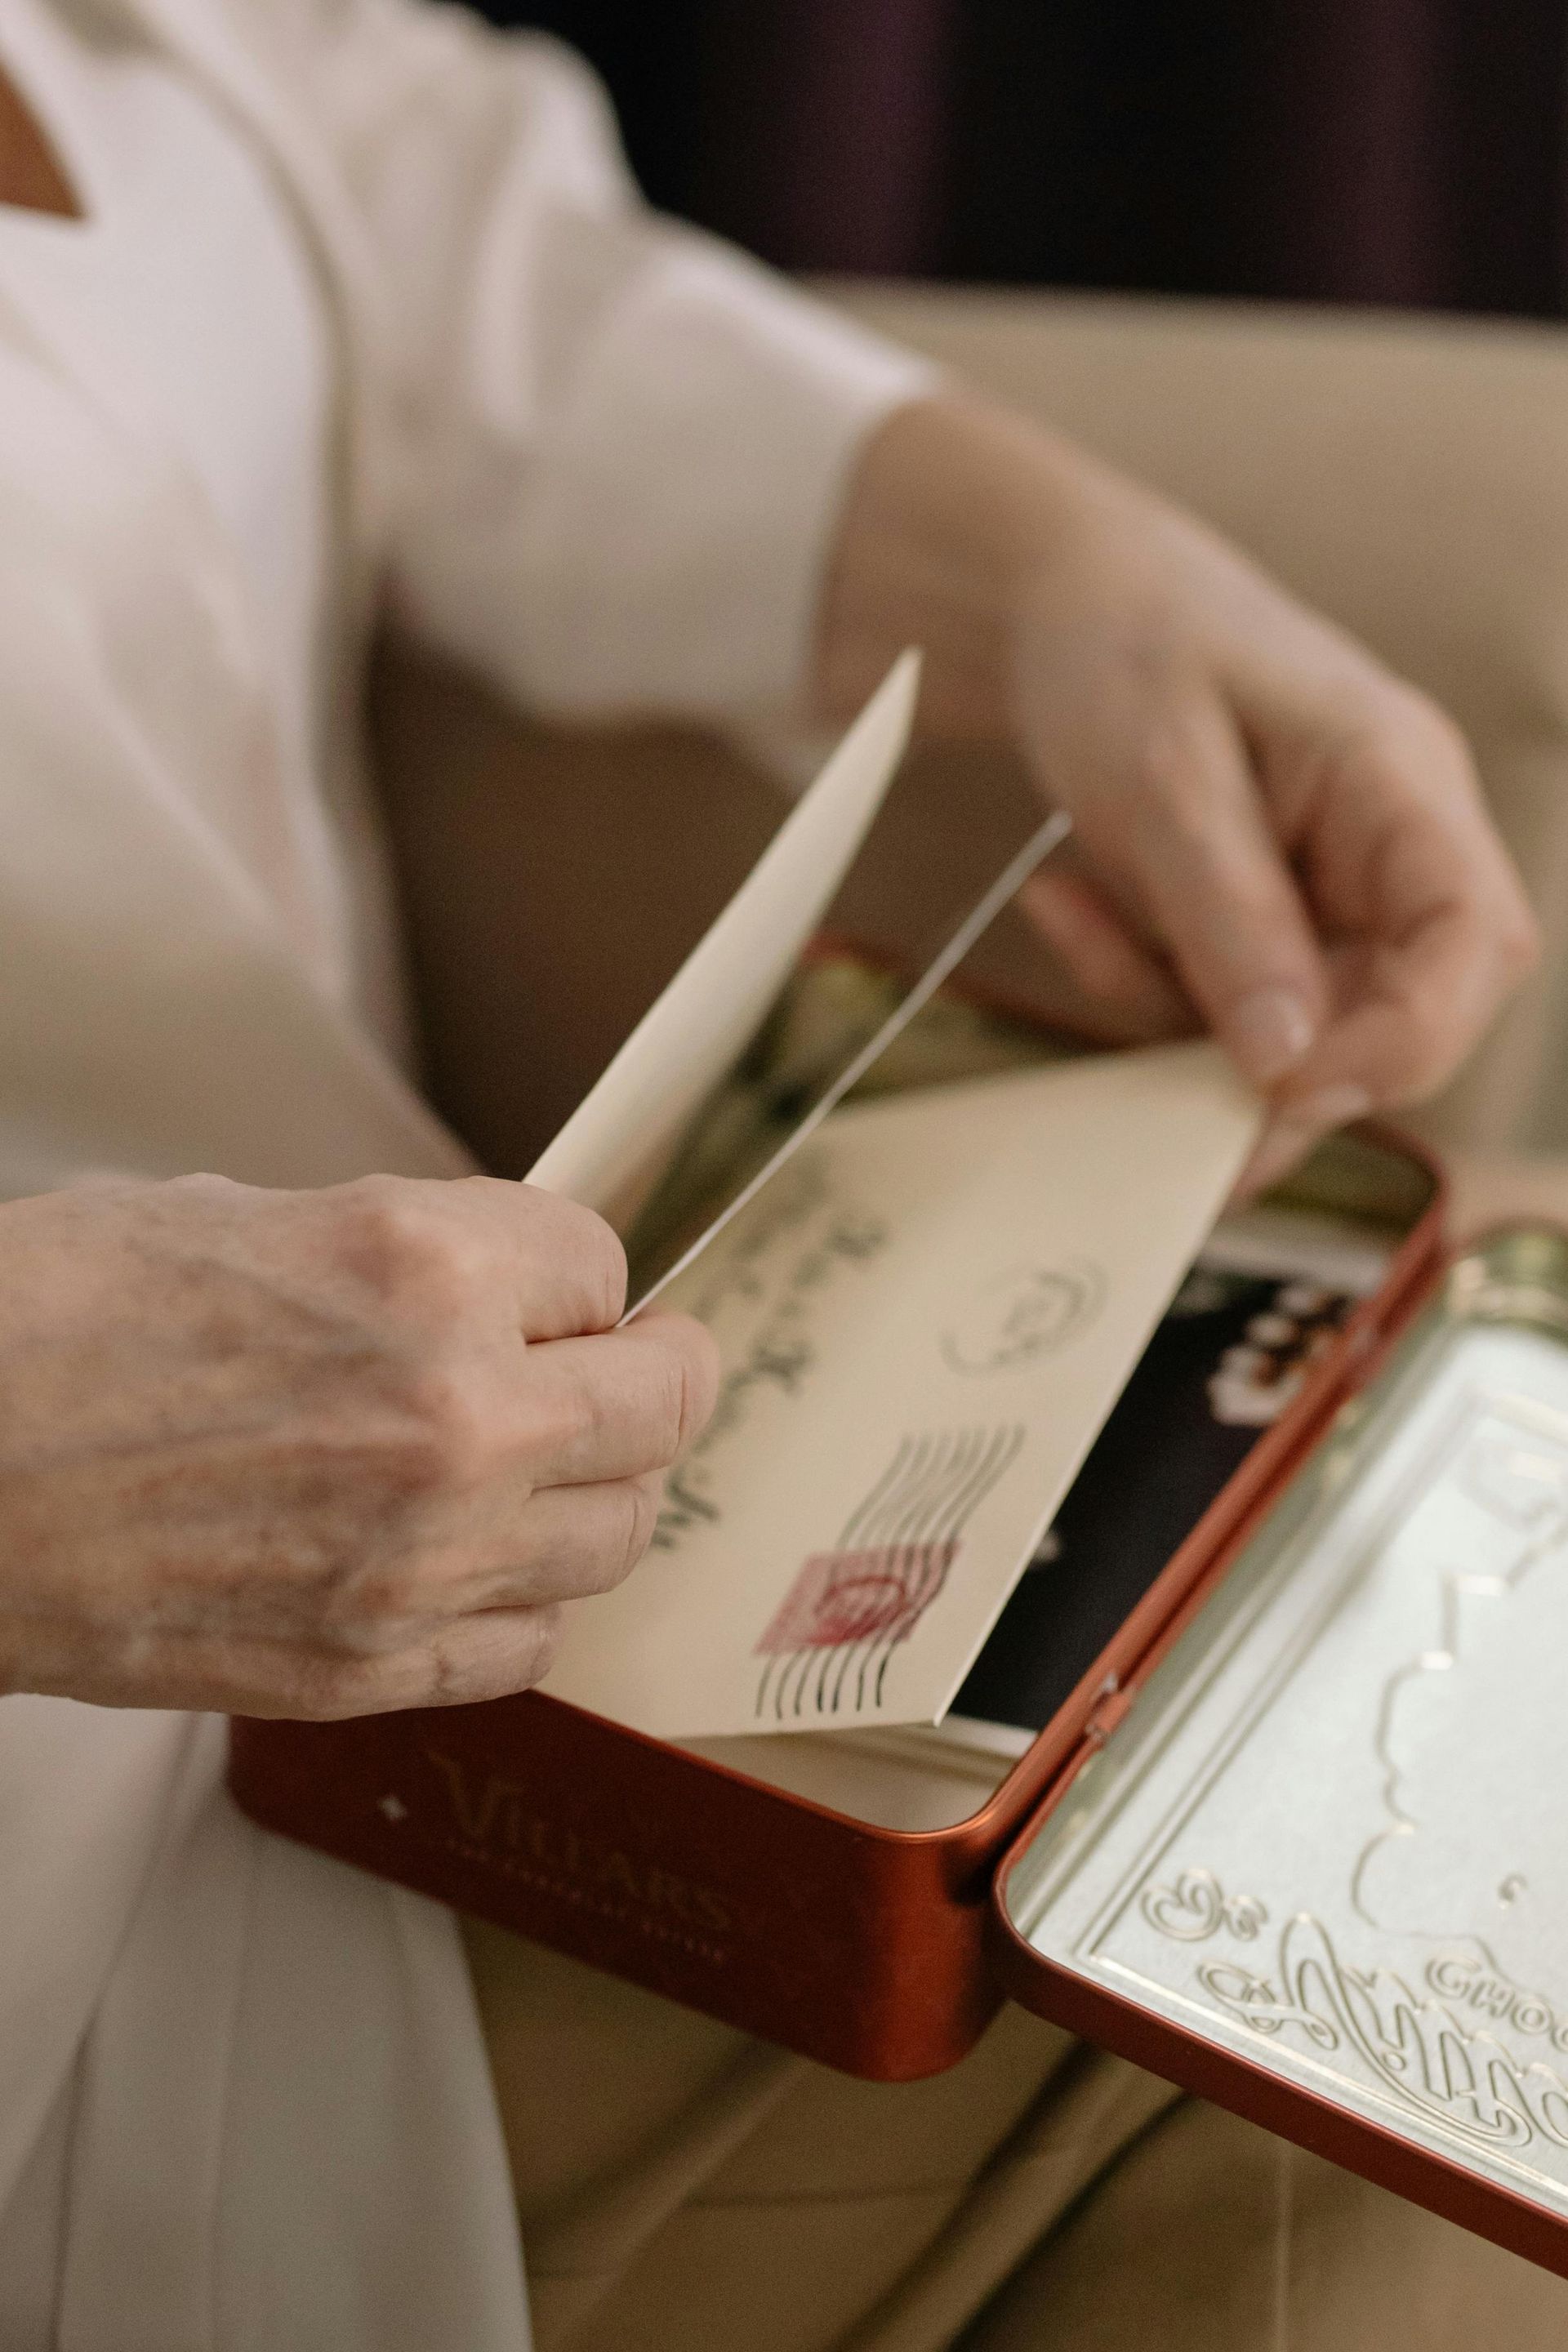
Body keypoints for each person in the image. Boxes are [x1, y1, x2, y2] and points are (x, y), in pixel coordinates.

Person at [0, 0, 1553, 2345]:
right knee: (1349, 2023)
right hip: (111, 1881)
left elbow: (426, 241)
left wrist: (1070, 587)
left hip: (505, 1563)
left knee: (1474, 1437)